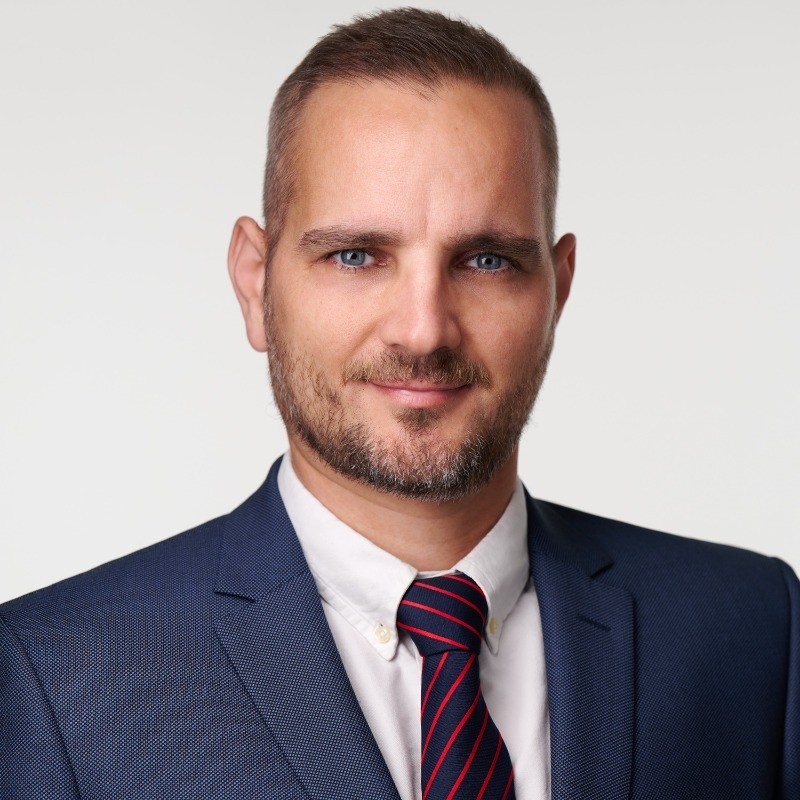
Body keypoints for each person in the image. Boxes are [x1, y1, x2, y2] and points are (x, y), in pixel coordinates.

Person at [1, 8, 797, 799]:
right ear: (255, 285)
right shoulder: (56, 676)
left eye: (486, 260)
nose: (423, 330)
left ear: (558, 291)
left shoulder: (754, 630)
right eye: (356, 256)